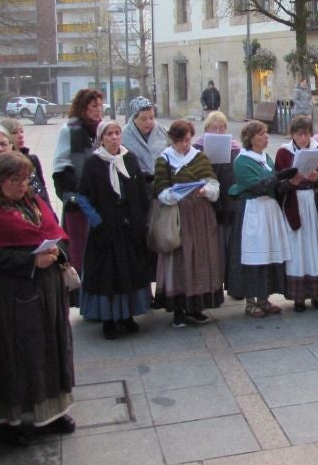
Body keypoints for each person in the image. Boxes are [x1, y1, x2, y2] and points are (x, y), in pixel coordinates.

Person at [0, 152, 75, 446]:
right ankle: (12, 421)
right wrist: (30, 261)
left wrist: (57, 252)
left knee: (50, 350)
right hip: (11, 297)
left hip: (46, 292)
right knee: (18, 356)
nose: (21, 185)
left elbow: (54, 231)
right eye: (14, 179)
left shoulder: (33, 202)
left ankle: (49, 414)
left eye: (25, 178)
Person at [77, 118, 152, 339]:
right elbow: (83, 196)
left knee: (129, 271)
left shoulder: (129, 159)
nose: (114, 137)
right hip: (106, 229)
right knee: (108, 275)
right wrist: (97, 222)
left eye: (117, 132)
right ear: (101, 138)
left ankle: (127, 315)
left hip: (128, 229)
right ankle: (109, 319)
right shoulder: (93, 163)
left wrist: (140, 219)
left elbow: (139, 191)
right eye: (109, 134)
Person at [152, 119, 224, 328]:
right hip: (178, 216)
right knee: (180, 261)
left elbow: (214, 184)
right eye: (180, 141)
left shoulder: (199, 157)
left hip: (200, 215)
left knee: (201, 259)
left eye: (187, 140)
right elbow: (160, 191)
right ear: (172, 140)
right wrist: (176, 194)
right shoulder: (164, 160)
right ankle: (179, 309)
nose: (184, 144)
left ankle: (197, 306)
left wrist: (206, 191)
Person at [228, 120, 297, 316]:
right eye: (261, 134)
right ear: (250, 139)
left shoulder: (265, 158)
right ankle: (251, 302)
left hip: (268, 211)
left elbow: (275, 187)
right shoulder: (242, 161)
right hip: (253, 210)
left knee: (267, 254)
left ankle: (264, 299)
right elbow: (259, 186)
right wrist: (279, 177)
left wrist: (290, 182)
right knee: (253, 255)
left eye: (266, 133)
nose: (266, 137)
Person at [276, 115, 318, 311]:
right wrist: (291, 181)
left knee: (315, 246)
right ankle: (299, 297)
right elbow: (278, 179)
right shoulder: (284, 152)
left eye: (306, 134)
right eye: (299, 134)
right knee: (298, 248)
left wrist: (317, 178)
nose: (303, 139)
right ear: (292, 135)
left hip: (312, 202)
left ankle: (317, 293)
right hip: (294, 202)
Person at [52, 88, 106, 275]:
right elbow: (60, 166)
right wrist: (79, 190)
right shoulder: (69, 130)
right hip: (79, 197)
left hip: (101, 196)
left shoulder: (103, 129)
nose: (98, 109)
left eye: (100, 105)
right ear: (83, 108)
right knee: (80, 244)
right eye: (94, 106)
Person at [196, 110, 240, 295]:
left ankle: (234, 285)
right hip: (209, 202)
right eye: (215, 128)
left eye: (222, 128)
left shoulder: (235, 147)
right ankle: (213, 286)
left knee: (231, 245)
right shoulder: (198, 147)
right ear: (207, 129)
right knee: (213, 248)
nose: (219, 131)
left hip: (229, 201)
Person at [0, 117, 49, 203]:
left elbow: (42, 188)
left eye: (21, 131)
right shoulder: (2, 166)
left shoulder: (32, 159)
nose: (20, 135)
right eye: (14, 132)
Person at [121, 96, 169, 181]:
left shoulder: (161, 130)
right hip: (138, 183)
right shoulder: (124, 136)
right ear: (134, 118)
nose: (149, 122)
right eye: (144, 119)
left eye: (151, 118)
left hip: (163, 181)